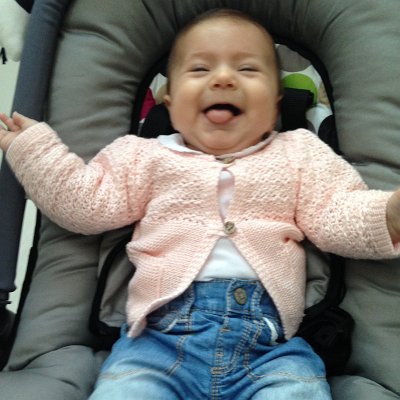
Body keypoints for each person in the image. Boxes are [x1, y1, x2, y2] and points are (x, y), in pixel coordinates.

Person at [1, 8, 400, 400]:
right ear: (170, 102)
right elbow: (85, 204)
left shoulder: (300, 153)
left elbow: (335, 213)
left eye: (247, 69)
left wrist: (389, 215)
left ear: (276, 104)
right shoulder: (143, 156)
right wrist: (35, 150)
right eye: (200, 69)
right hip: (155, 345)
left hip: (270, 350)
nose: (223, 78)